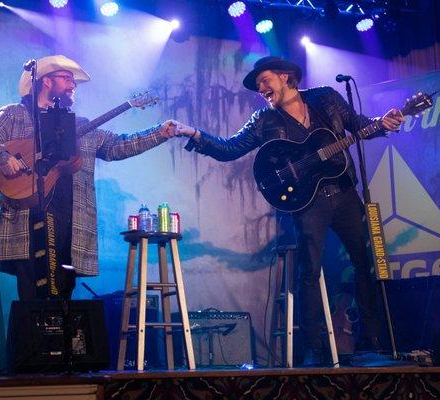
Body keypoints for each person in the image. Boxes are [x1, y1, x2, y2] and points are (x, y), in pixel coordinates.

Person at [173, 56, 405, 367]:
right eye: (258, 87)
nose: (262, 89)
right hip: (308, 202)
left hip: (346, 194)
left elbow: (360, 125)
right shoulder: (263, 120)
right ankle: (313, 348)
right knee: (308, 272)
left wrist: (384, 123)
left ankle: (375, 340)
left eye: (265, 81)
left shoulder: (326, 98)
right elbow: (229, 149)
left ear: (285, 77)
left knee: (366, 263)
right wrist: (194, 135)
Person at [0, 55, 178, 300]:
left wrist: (160, 133)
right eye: (66, 78)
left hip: (70, 220)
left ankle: (59, 338)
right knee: (31, 294)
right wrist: (3, 157)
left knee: (63, 293)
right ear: (46, 81)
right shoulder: (15, 114)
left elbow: (117, 146)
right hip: (27, 220)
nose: (73, 85)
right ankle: (31, 339)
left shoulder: (81, 126)